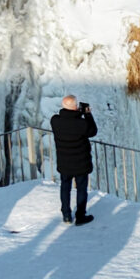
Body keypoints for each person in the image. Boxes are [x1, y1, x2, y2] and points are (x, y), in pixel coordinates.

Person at [50, 95, 98, 226]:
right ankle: (80, 216)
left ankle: (66, 215)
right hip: (81, 164)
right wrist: (87, 114)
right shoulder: (82, 124)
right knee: (81, 189)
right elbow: (93, 131)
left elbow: (66, 121)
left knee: (65, 187)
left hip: (65, 163)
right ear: (76, 107)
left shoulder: (55, 121)